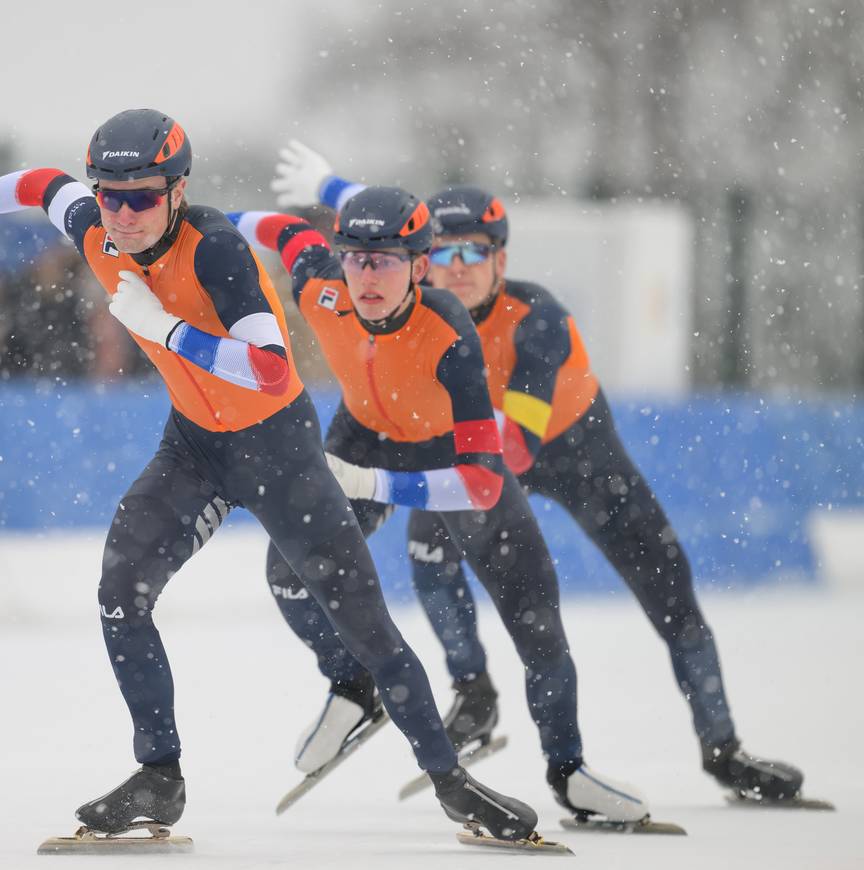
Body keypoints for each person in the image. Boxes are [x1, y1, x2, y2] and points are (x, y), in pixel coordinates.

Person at [0, 110, 540, 843]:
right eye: (111, 195)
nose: (124, 213)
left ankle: (452, 784)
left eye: (143, 196)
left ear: (179, 190)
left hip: (277, 448)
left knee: (367, 625)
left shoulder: (216, 251)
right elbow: (38, 184)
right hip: (193, 446)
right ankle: (159, 776)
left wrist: (163, 328)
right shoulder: (93, 223)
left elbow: (269, 367)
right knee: (120, 591)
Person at [269, 141, 805, 803]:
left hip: (577, 455)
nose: (455, 269)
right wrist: (328, 185)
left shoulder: (537, 320)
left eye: (474, 255)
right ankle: (474, 696)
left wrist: (426, 460)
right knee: (428, 555)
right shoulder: (415, 304)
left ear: (502, 260)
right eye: (443, 254)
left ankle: (723, 749)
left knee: (670, 593)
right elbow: (374, 221)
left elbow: (516, 448)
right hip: (472, 446)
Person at [229, 186, 653, 826]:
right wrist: (198, 226)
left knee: (535, 618)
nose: (367, 277)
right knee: (287, 573)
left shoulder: (449, 329)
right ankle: (352, 684)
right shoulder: (319, 283)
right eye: (356, 259)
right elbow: (282, 229)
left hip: (443, 453)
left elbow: (484, 482)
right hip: (364, 435)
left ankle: (567, 769)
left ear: (419, 267)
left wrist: (377, 487)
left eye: (388, 261)